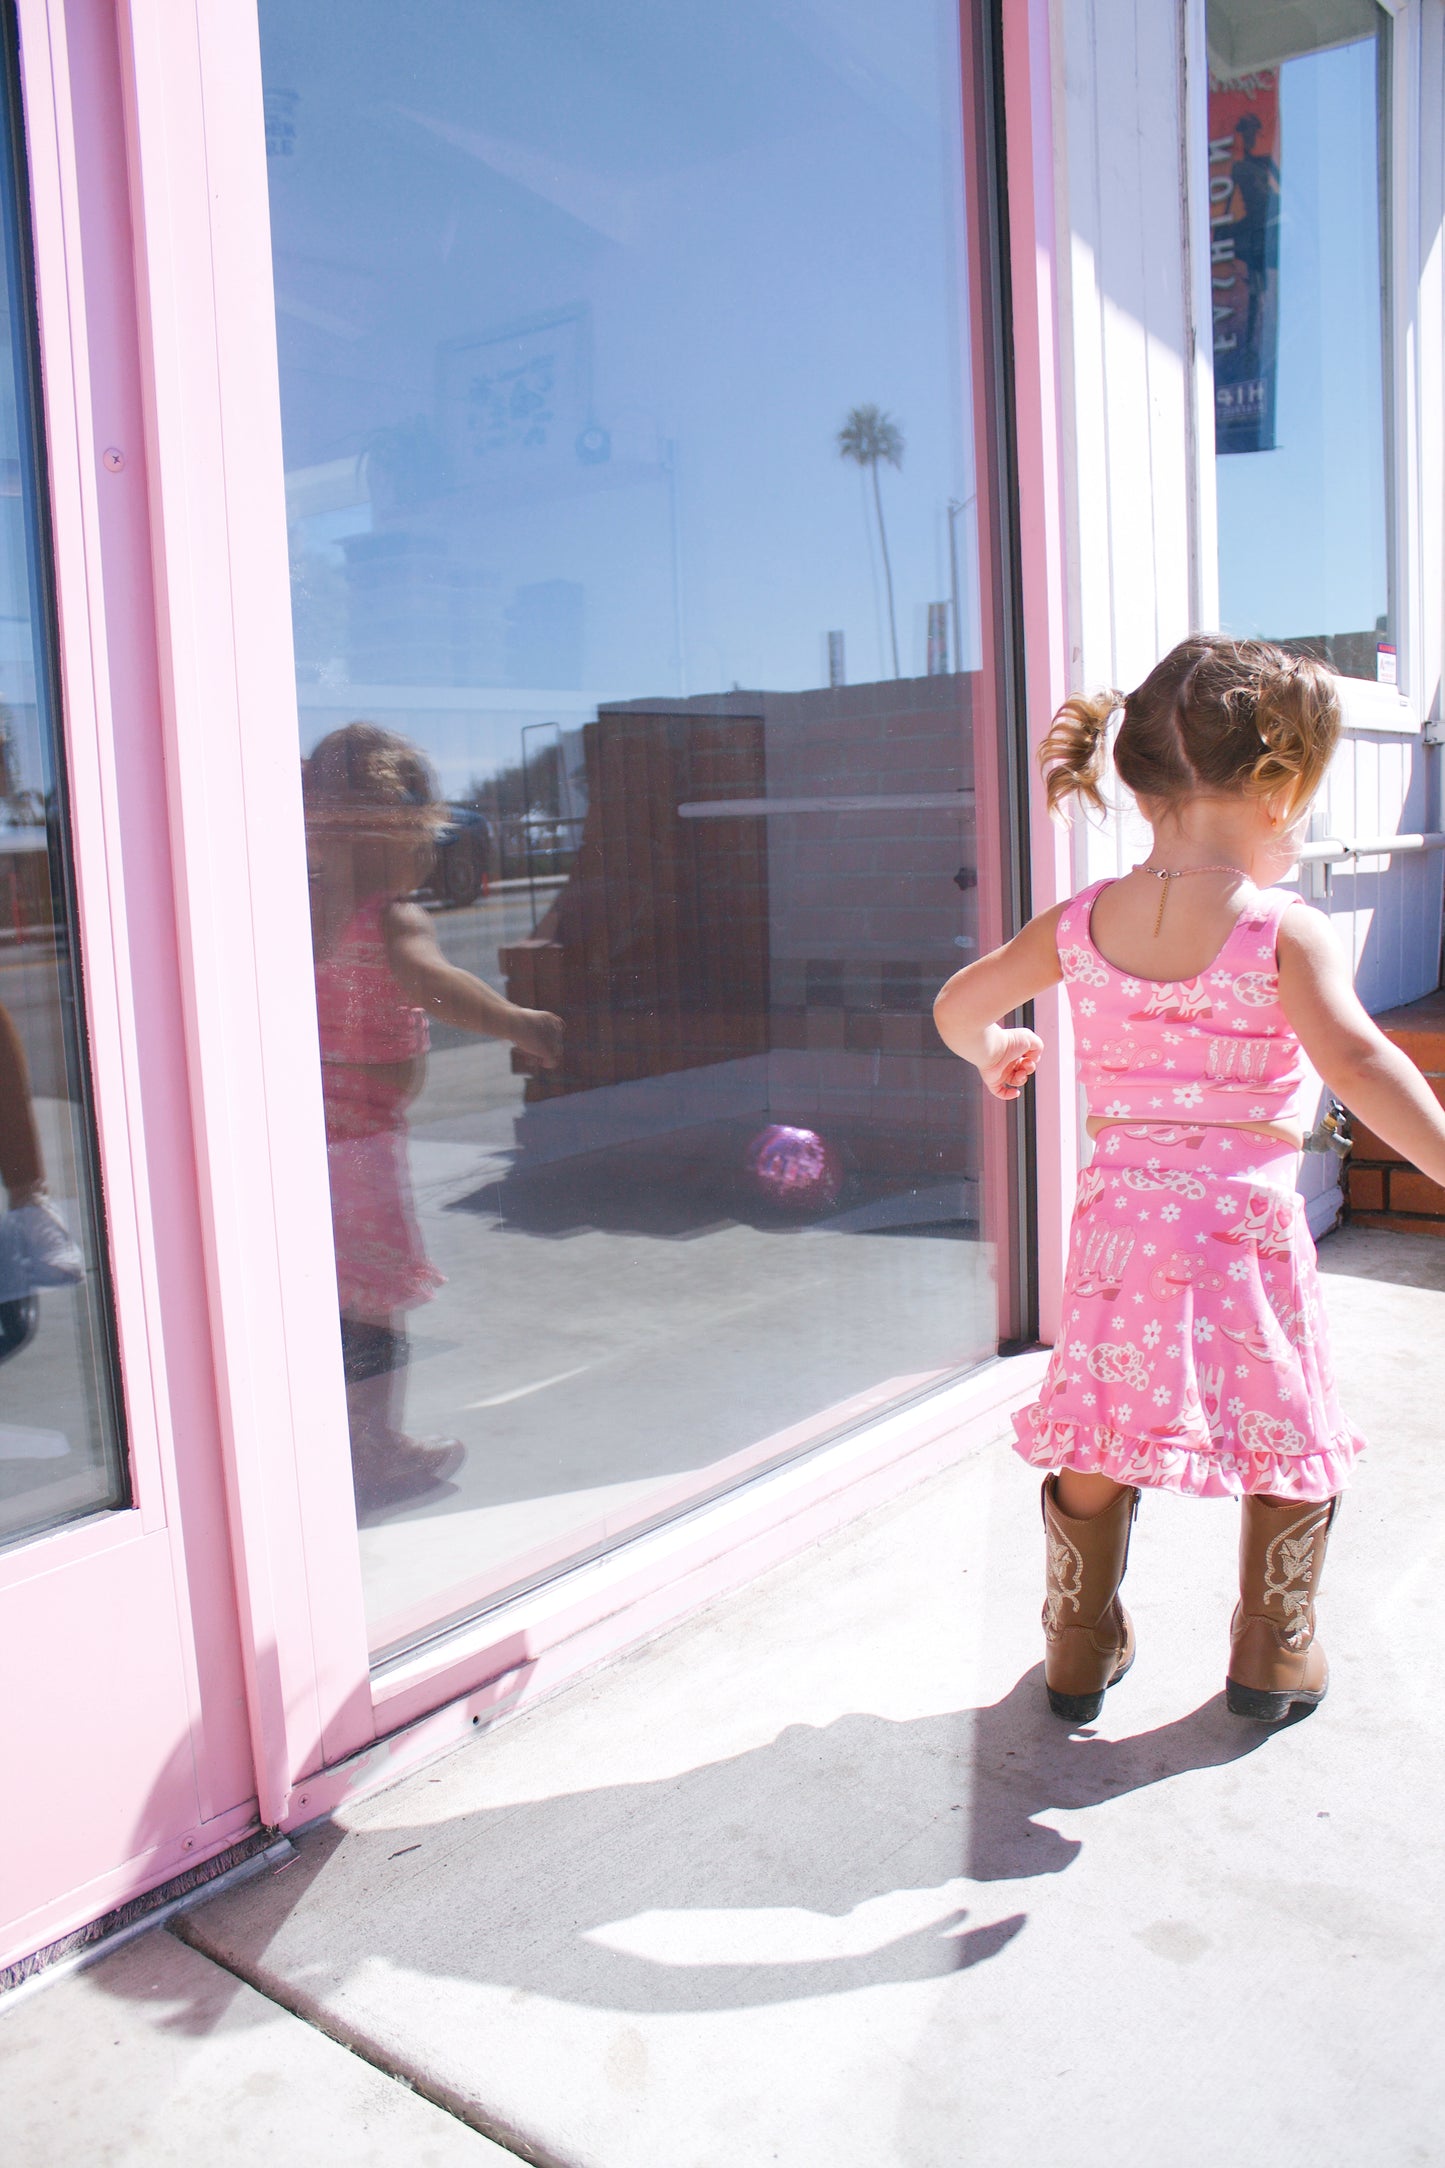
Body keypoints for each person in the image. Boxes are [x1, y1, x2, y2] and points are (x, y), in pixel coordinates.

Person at [934, 634, 1445, 1725]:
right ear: (1273, 786)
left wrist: (993, 1053)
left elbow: (956, 1005)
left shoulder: (1077, 923)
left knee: (1096, 1421)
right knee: (1283, 1418)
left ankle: (1076, 1643)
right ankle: (1272, 1649)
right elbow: (1358, 1062)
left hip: (1118, 1227)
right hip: (1242, 1230)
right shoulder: (1278, 930)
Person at [304, 723, 563, 1510]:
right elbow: (437, 985)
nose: (428, 859)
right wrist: (522, 1023)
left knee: (322, 1298)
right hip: (361, 1146)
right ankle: (373, 1449)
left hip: (309, 1135)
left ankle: (320, 1446)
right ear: (395, 839)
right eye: (424, 841)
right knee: (374, 1305)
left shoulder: (297, 906)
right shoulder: (392, 919)